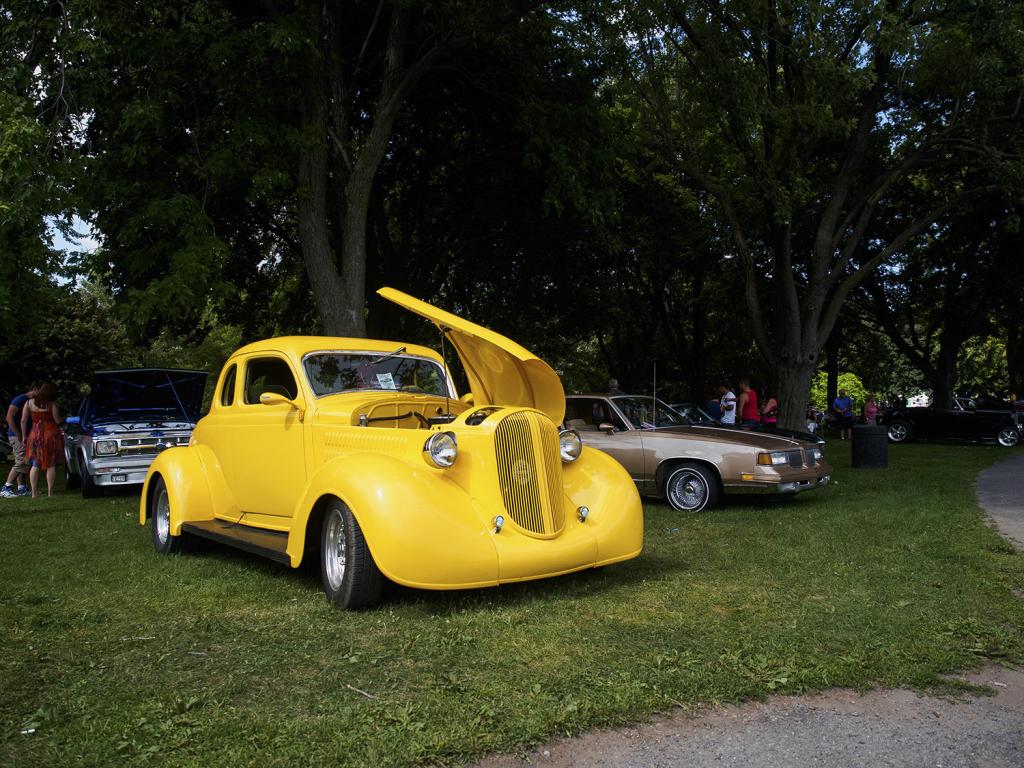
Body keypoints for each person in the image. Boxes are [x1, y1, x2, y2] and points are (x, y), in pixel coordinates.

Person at [22, 381, 65, 498]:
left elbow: (23, 421)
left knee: (35, 464)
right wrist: (65, 418)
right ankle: (50, 493)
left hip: (34, 435)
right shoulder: (52, 405)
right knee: (50, 464)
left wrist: (24, 435)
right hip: (49, 434)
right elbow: (57, 421)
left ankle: (34, 493)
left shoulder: (29, 403)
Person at [1, 383, 40, 498]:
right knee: (21, 461)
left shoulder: (30, 401)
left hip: (25, 435)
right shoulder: (20, 399)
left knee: (25, 461)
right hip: (17, 435)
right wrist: (18, 433)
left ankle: (21, 487)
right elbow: (9, 417)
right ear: (35, 389)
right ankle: (6, 487)